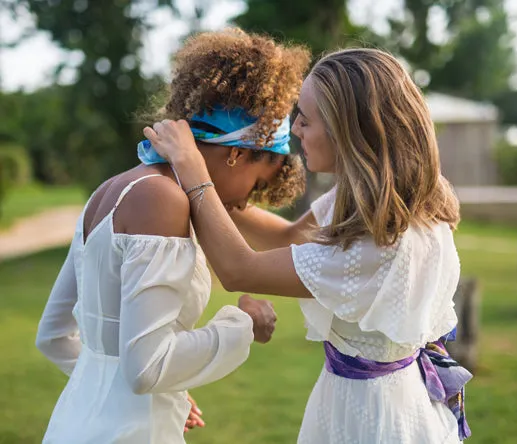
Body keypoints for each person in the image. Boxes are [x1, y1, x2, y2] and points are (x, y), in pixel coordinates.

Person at [145, 47, 473, 443]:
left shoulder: (382, 243)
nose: (295, 127)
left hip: (374, 416)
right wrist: (214, 186)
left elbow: (238, 269)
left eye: (307, 119)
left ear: (349, 131)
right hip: (359, 396)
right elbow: (292, 236)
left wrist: (193, 170)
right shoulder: (380, 199)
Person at [35, 28, 310, 444]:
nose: (243, 203)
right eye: (256, 185)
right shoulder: (162, 200)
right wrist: (243, 323)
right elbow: (148, 367)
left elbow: (54, 336)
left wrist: (137, 391)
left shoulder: (112, 190)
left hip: (75, 425)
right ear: (237, 153)